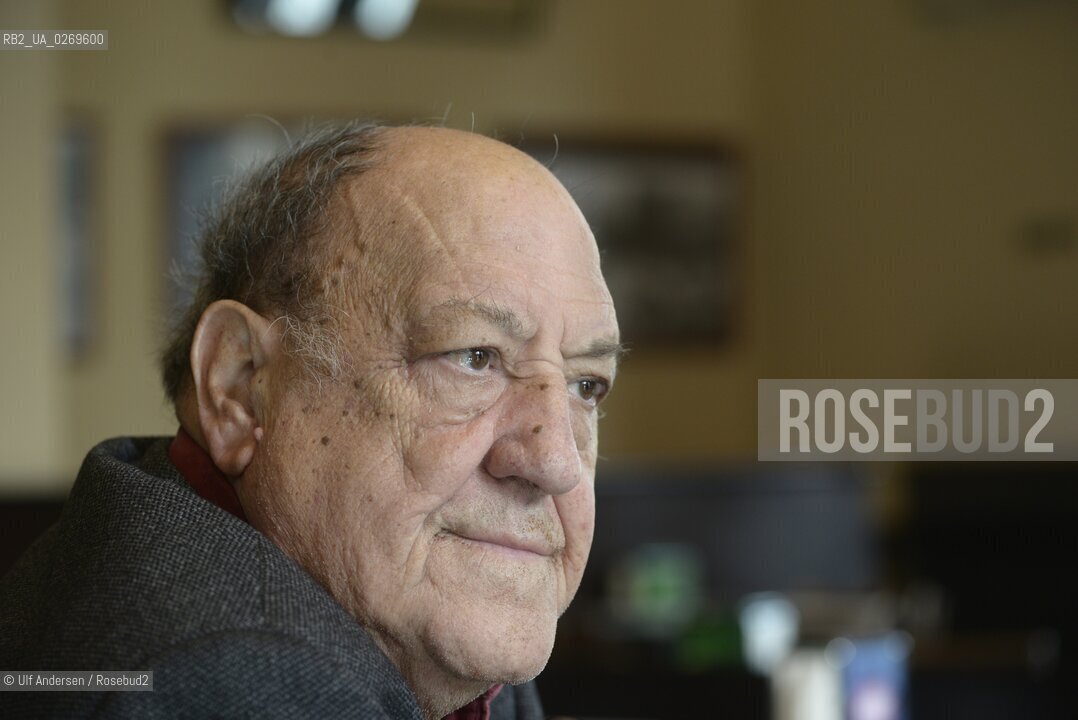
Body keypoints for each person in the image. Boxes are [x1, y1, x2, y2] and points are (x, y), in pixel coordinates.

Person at [0, 124, 621, 719]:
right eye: (474, 358)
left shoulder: (427, 618)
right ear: (239, 387)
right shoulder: (231, 678)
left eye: (585, 385)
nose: (556, 462)